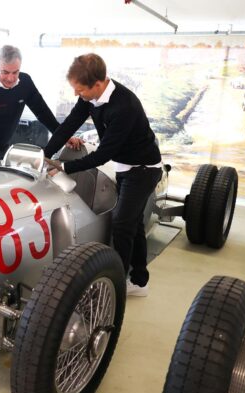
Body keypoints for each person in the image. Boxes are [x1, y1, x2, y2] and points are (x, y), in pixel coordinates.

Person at [44, 53, 162, 297]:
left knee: (121, 223)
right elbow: (69, 125)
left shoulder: (124, 106)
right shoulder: (92, 98)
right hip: (125, 166)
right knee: (133, 223)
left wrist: (63, 167)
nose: (77, 95)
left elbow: (103, 155)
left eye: (80, 90)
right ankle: (140, 281)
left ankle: (115, 287)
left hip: (143, 169)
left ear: (97, 84)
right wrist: (44, 154)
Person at [0, 45, 64, 174]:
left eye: (15, 72)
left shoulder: (25, 83)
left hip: (4, 148)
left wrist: (63, 135)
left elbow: (42, 112)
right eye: (5, 72)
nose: (10, 78)